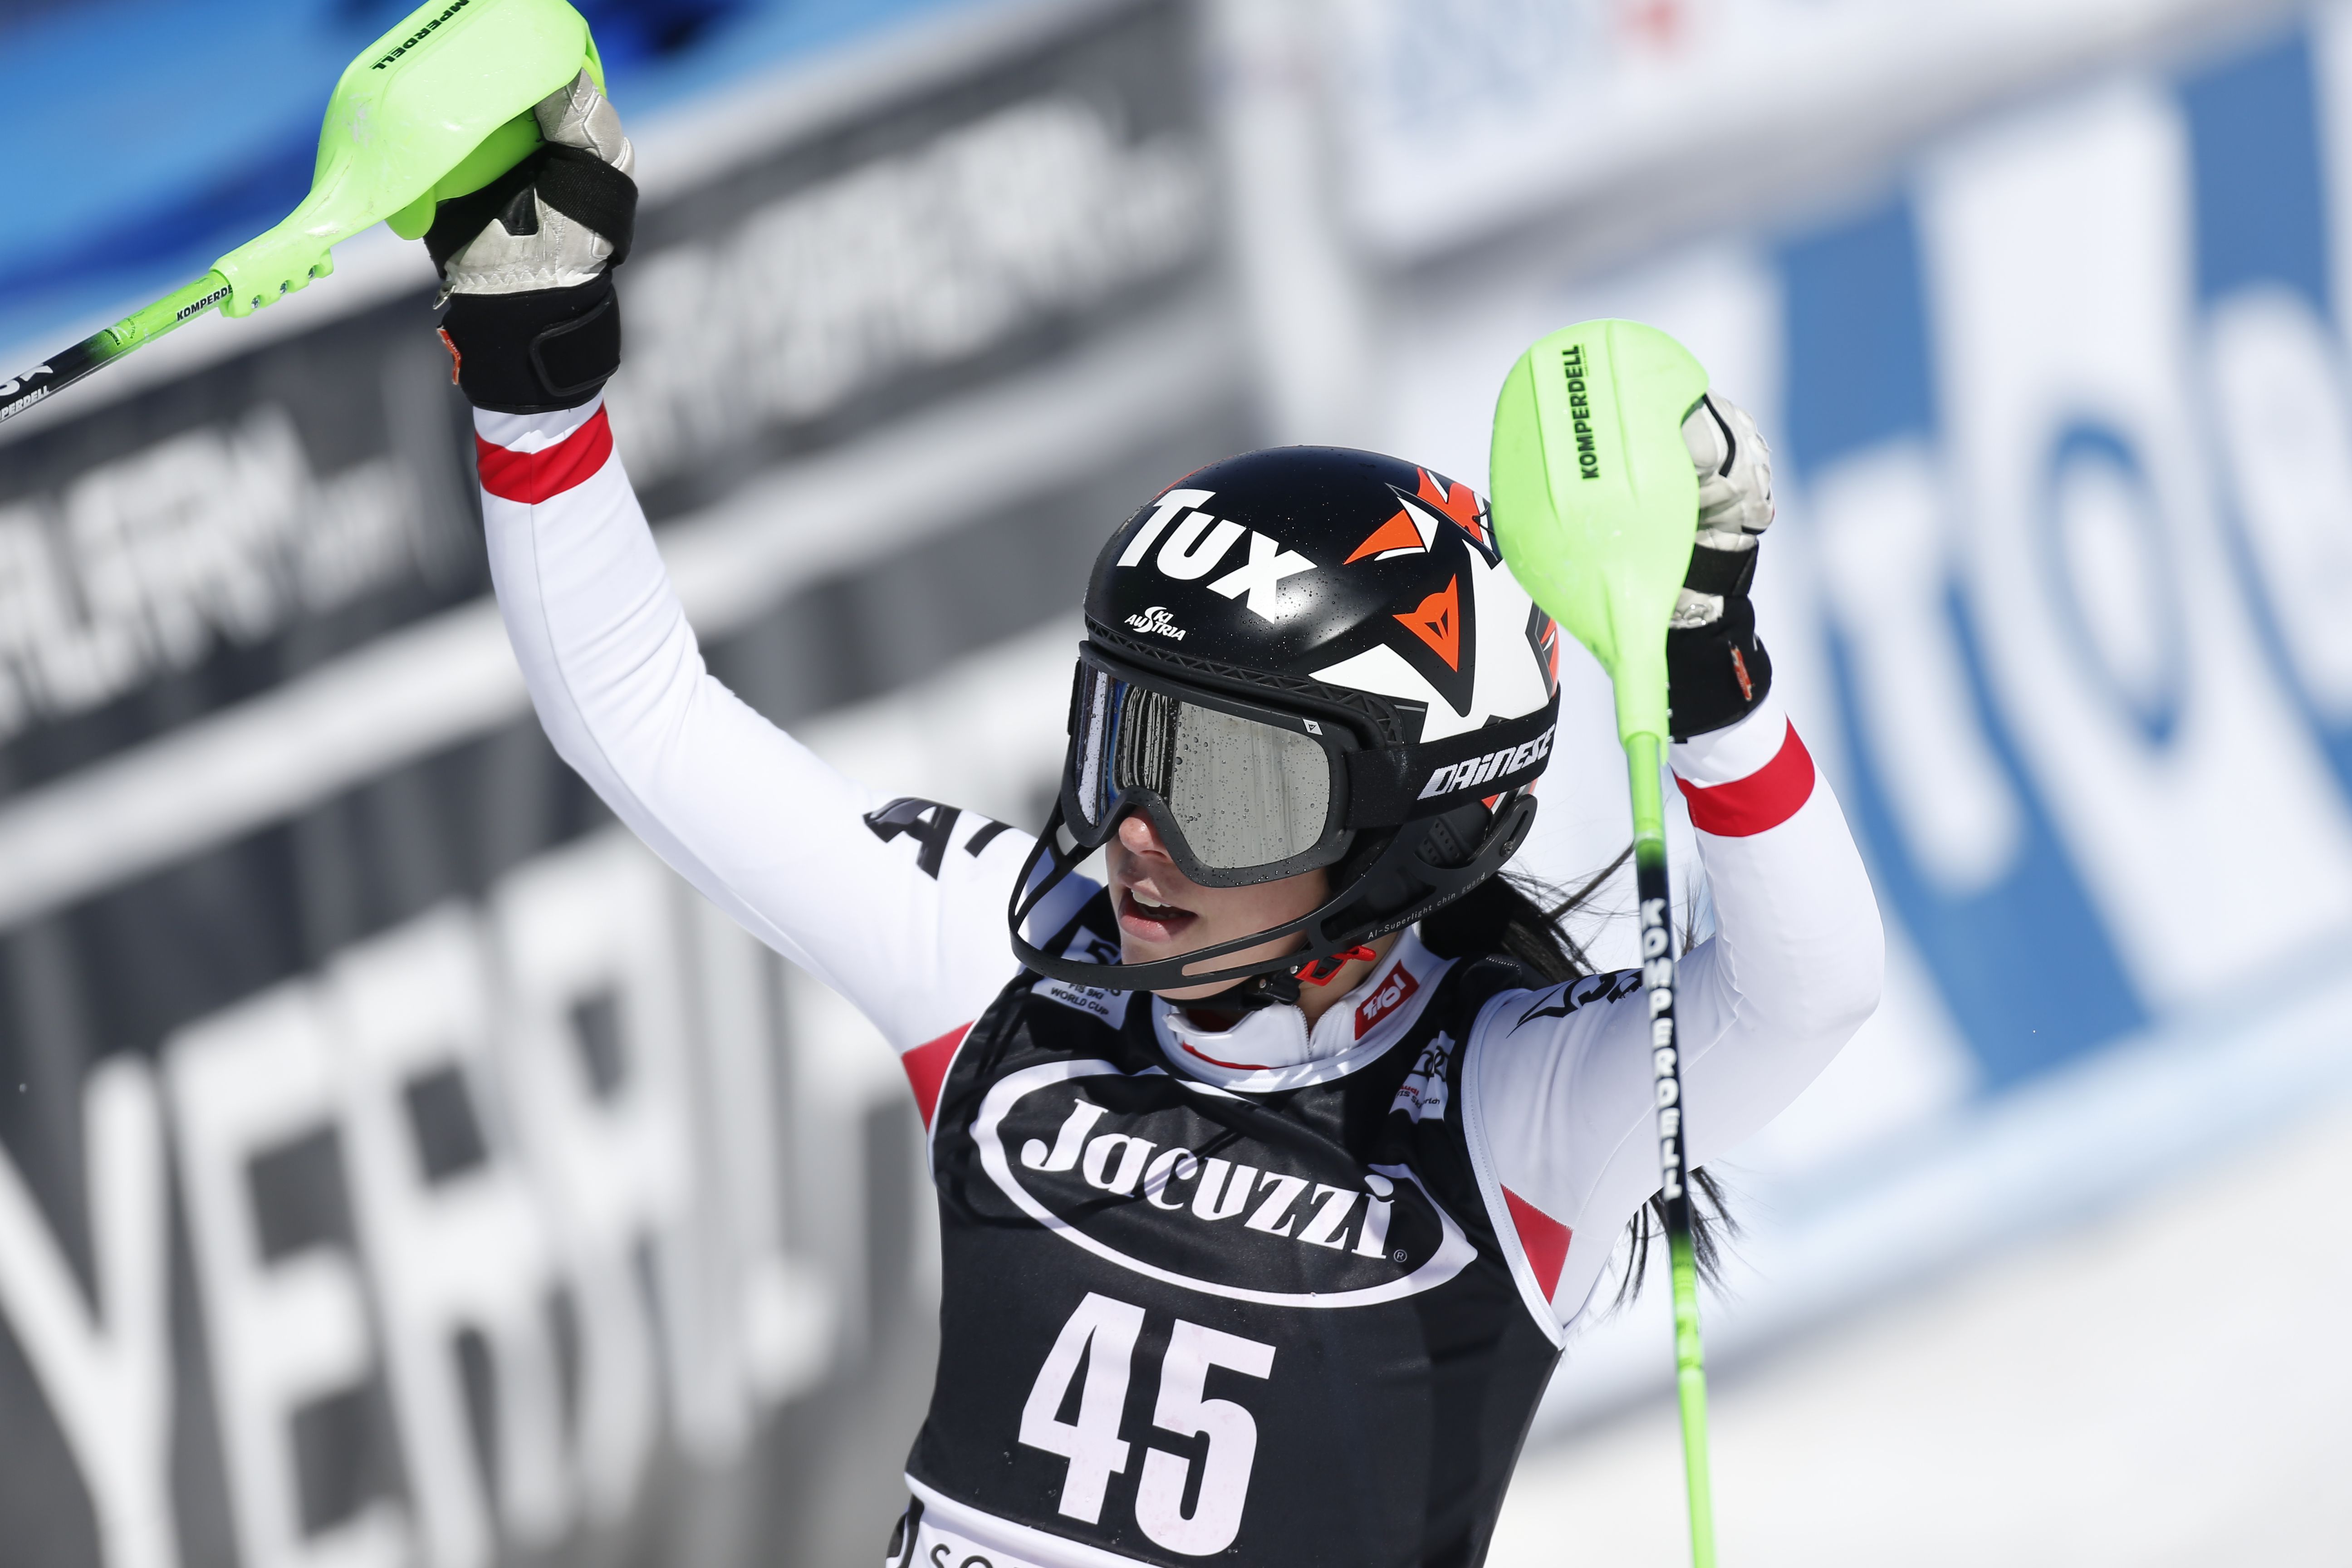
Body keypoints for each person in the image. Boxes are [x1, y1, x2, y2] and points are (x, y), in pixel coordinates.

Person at [430, 75, 1884, 1568]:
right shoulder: (1004, 962)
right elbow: (643, 720)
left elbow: (1810, 991)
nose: (1137, 835)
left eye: (1229, 788)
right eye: (1128, 741)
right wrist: (535, 365)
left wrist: (1711, 678)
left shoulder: (1514, 1110)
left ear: (1408, 832)